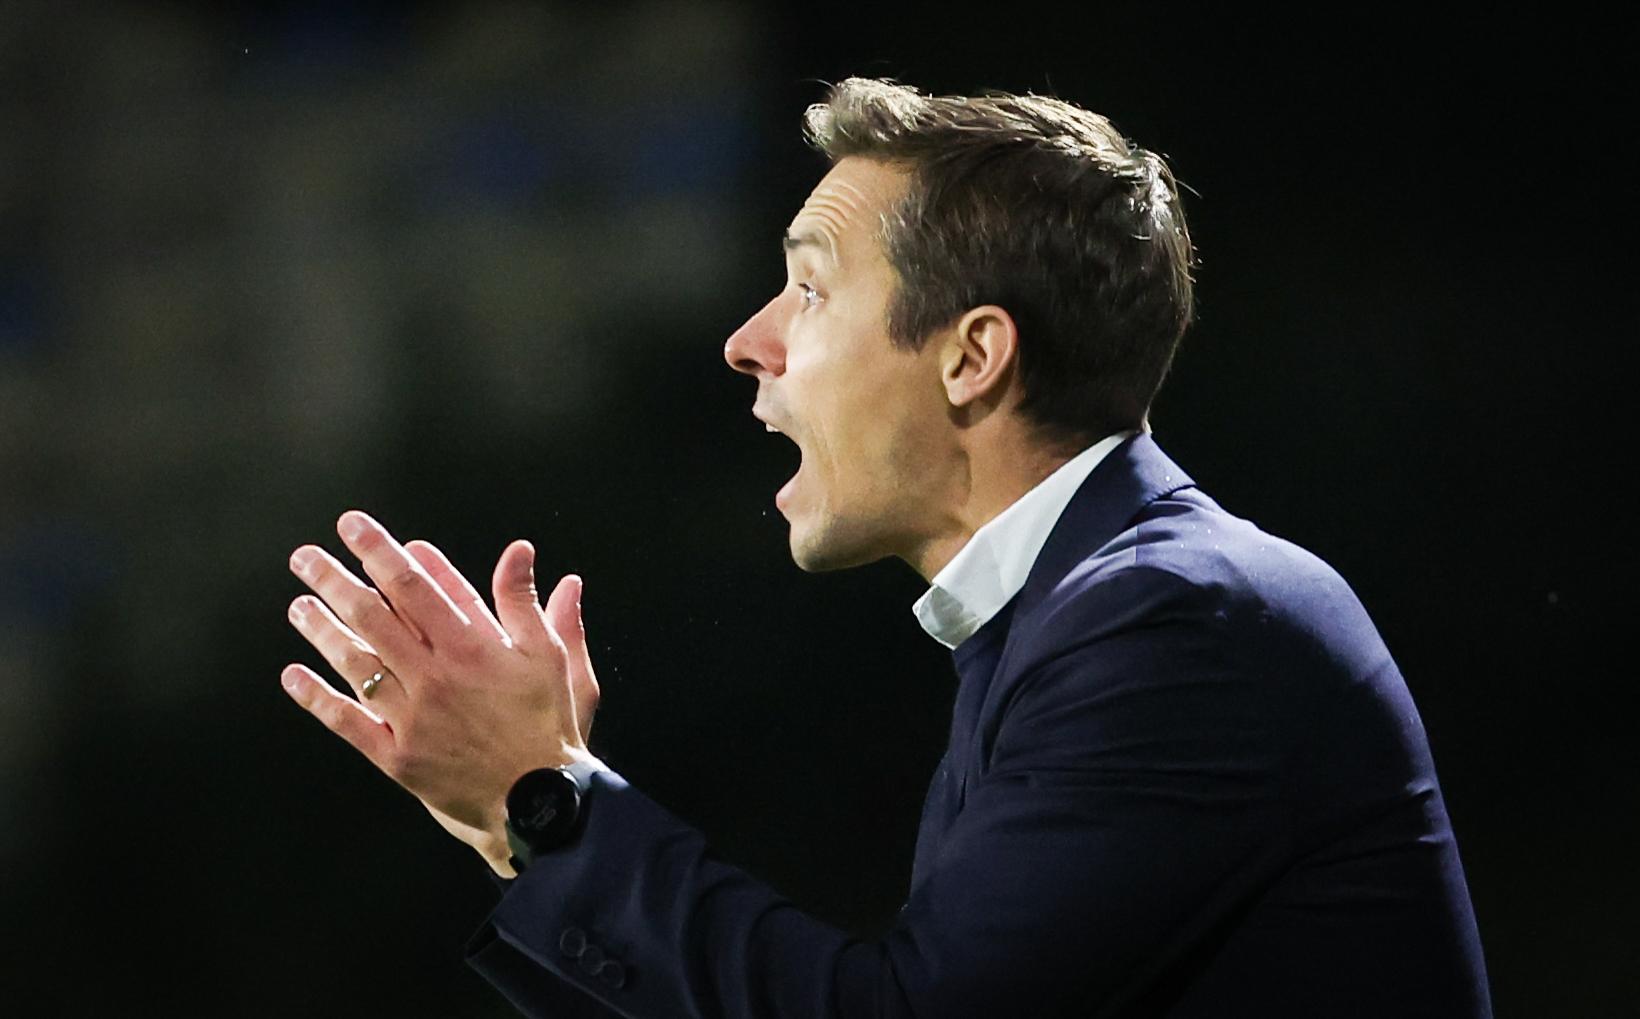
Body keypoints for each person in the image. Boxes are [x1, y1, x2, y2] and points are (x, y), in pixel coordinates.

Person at [281, 77, 1492, 1017]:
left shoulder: (1174, 625)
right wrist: (523, 818)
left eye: (809, 289)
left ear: (970, 356)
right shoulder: (1074, 623)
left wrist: (545, 797)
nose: (748, 340)